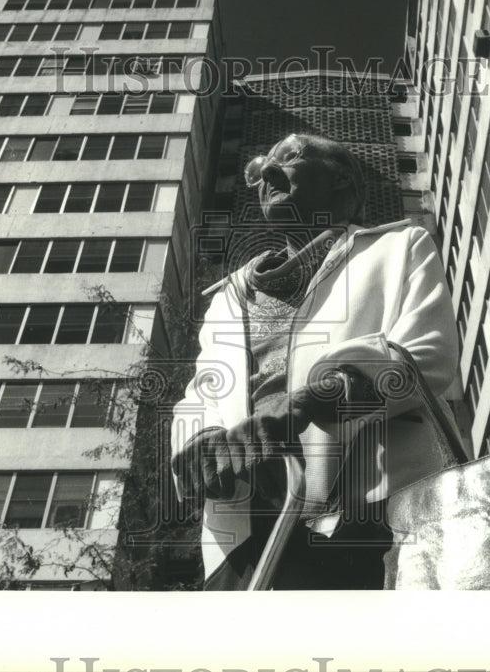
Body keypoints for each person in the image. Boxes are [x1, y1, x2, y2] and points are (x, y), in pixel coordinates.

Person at [170, 133, 461, 589]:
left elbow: (427, 355)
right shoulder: (229, 297)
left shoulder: (399, 248)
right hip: (246, 535)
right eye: (262, 165)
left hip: (376, 513)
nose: (267, 172)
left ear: (341, 179)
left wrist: (314, 400)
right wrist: (204, 439)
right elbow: (202, 390)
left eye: (288, 157)